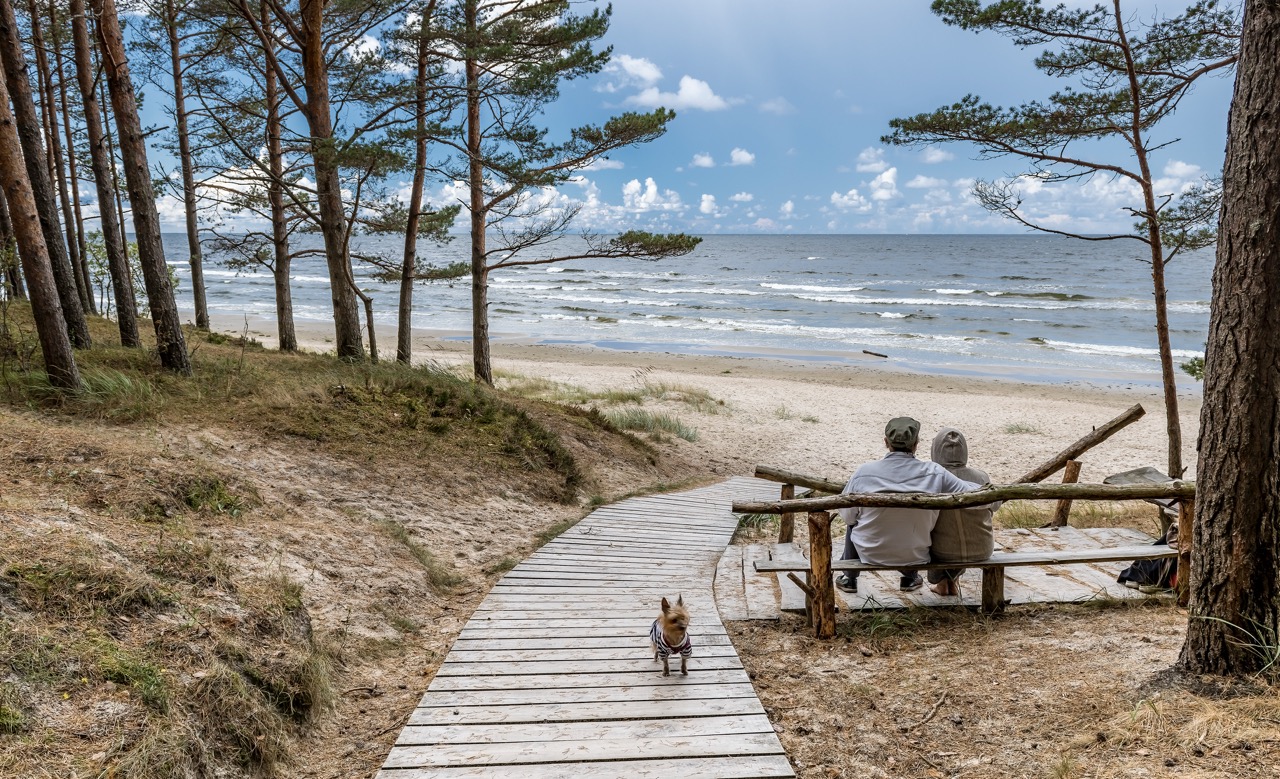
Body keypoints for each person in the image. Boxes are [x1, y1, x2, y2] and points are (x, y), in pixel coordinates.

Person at [836, 417, 983, 593]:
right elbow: (973, 494)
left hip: (870, 554)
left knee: (853, 522)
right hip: (916, 555)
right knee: (913, 524)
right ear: (916, 444)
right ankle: (910, 577)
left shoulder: (864, 472)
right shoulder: (934, 472)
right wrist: (986, 485)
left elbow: (846, 515)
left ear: (886, 442)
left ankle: (849, 577)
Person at [927, 428, 1002, 597]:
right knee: (966, 525)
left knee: (939, 531)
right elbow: (995, 506)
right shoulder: (981, 477)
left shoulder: (931, 477)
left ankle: (942, 583)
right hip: (982, 548)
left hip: (943, 551)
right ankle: (953, 582)